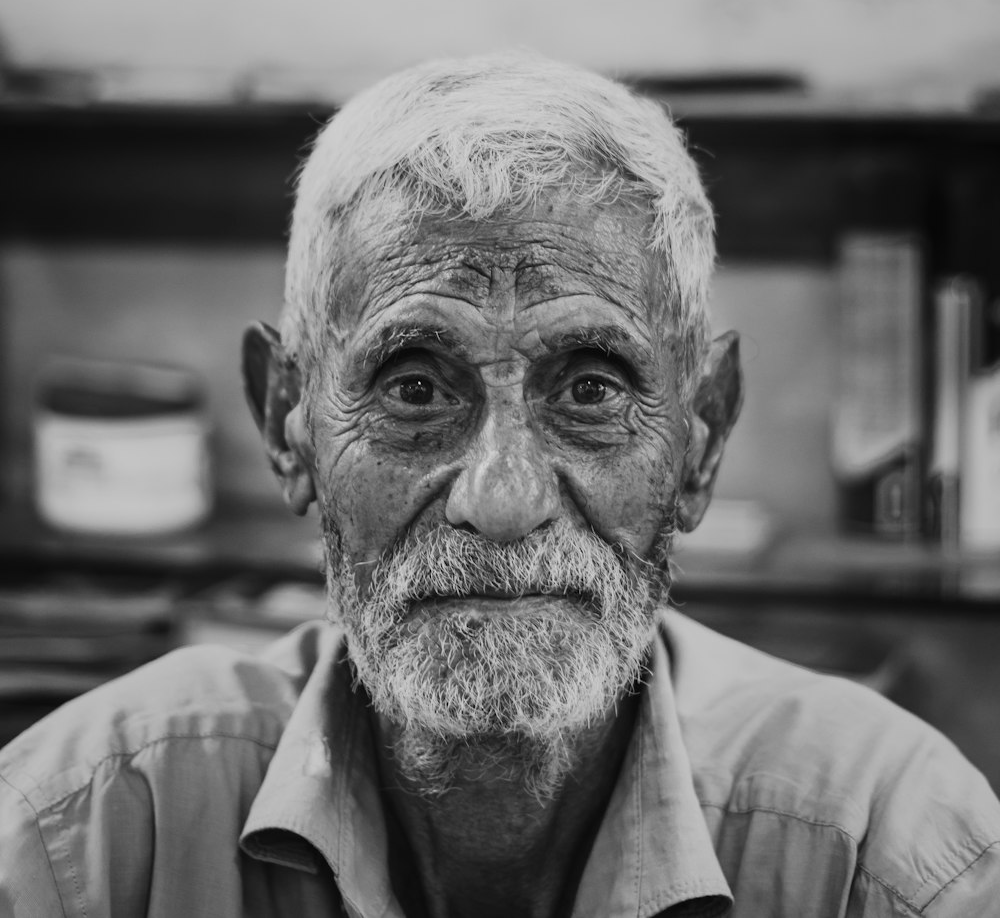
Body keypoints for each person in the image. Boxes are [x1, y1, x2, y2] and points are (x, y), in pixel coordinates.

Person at [1, 53, 998, 918]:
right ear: (287, 421)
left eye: (592, 387)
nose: (503, 499)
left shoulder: (889, 847)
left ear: (701, 436)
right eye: (416, 387)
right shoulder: (87, 829)